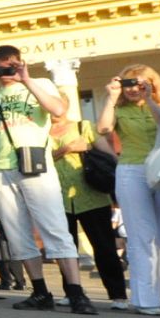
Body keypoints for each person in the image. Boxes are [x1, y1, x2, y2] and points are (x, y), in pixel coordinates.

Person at [0, 45, 97, 314]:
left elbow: (57, 111)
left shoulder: (40, 84)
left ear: (21, 63)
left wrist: (26, 80)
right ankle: (40, 291)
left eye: (12, 64)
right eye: (1, 66)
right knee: (17, 234)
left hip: (35, 164)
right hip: (0, 168)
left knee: (54, 227)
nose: (7, 70)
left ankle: (76, 292)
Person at [97, 65, 160, 316]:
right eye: (128, 84)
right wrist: (112, 97)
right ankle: (146, 298)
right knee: (141, 236)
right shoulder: (119, 107)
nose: (133, 89)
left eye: (140, 83)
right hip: (132, 171)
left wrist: (149, 98)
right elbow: (103, 128)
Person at [52, 114, 128, 307]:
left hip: (92, 195)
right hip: (57, 198)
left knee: (104, 246)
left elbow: (110, 156)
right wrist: (67, 148)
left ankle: (117, 294)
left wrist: (88, 147)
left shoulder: (83, 126)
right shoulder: (41, 132)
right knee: (65, 248)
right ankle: (71, 291)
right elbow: (39, 161)